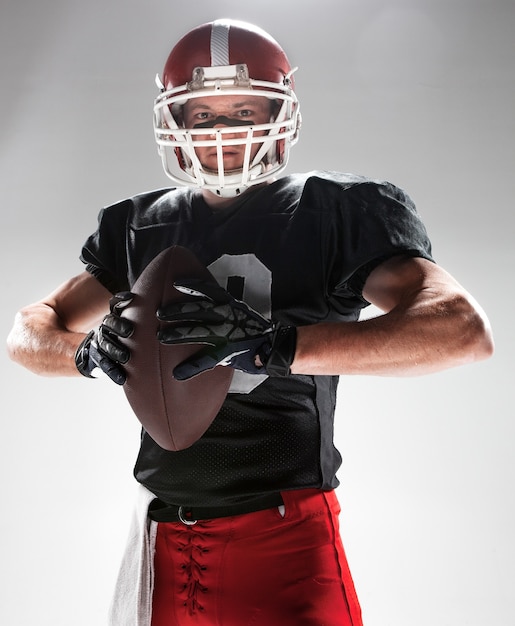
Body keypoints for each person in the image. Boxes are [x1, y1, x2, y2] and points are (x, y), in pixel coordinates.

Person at [7, 18, 493, 626]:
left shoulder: (331, 210)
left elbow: (459, 328)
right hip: (160, 531)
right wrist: (83, 353)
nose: (222, 133)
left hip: (285, 532)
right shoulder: (139, 224)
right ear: (173, 122)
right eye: (203, 115)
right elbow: (29, 327)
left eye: (242, 111)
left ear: (280, 112)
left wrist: (280, 345)